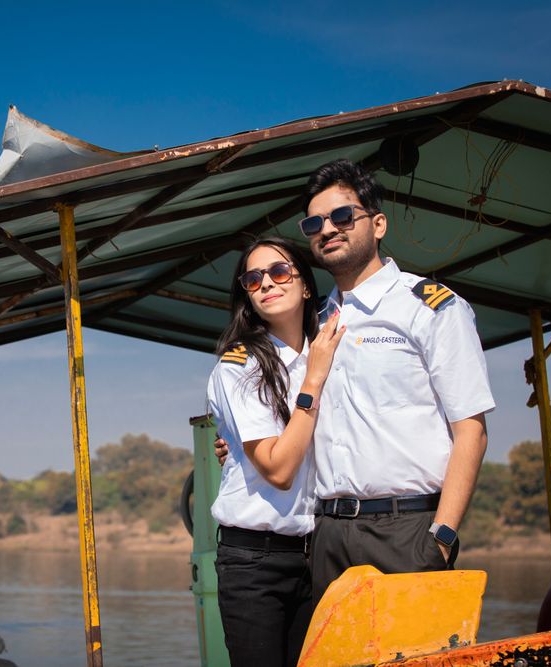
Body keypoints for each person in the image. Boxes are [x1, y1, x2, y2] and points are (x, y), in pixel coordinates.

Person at [215, 159, 495, 612]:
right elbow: (279, 409)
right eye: (314, 222)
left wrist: (440, 538)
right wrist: (233, 442)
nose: (327, 229)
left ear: (378, 223)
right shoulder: (313, 323)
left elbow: (472, 431)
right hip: (325, 537)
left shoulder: (429, 308)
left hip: (406, 531)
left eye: (343, 216)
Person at [206, 236, 344, 667]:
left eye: (279, 272)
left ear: (305, 285)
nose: (266, 282)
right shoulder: (240, 365)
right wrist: (313, 383)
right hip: (254, 563)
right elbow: (279, 470)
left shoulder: (329, 352)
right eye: (253, 278)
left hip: (318, 554)